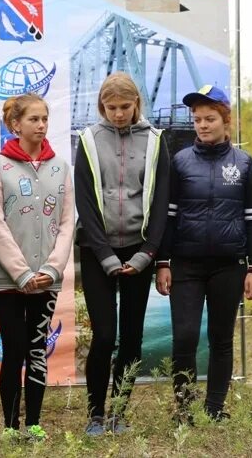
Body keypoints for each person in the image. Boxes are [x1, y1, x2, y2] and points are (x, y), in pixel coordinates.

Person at [154, 85, 252, 423]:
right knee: (185, 335)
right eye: (198, 119)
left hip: (229, 266)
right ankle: (184, 409)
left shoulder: (246, 165)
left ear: (225, 120)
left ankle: (215, 409)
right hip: (186, 265)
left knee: (221, 337)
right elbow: (168, 216)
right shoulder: (179, 161)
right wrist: (163, 262)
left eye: (210, 118)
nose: (202, 124)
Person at [74, 72, 170, 436]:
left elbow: (161, 200)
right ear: (102, 106)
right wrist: (104, 255)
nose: (118, 114)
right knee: (104, 335)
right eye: (111, 108)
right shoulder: (87, 139)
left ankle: (119, 412)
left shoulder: (157, 140)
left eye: (124, 107)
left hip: (139, 251)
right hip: (98, 251)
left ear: (136, 105)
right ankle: (95, 413)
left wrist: (148, 253)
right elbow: (84, 199)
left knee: (131, 336)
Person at [0, 93, 74, 441]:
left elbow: (67, 223)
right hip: (7, 280)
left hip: (46, 279)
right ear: (15, 124)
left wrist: (51, 269)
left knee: (37, 348)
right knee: (14, 348)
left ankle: (33, 422)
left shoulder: (60, 167)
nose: (40, 125)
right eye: (33, 119)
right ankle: (9, 426)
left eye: (45, 119)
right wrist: (20, 272)